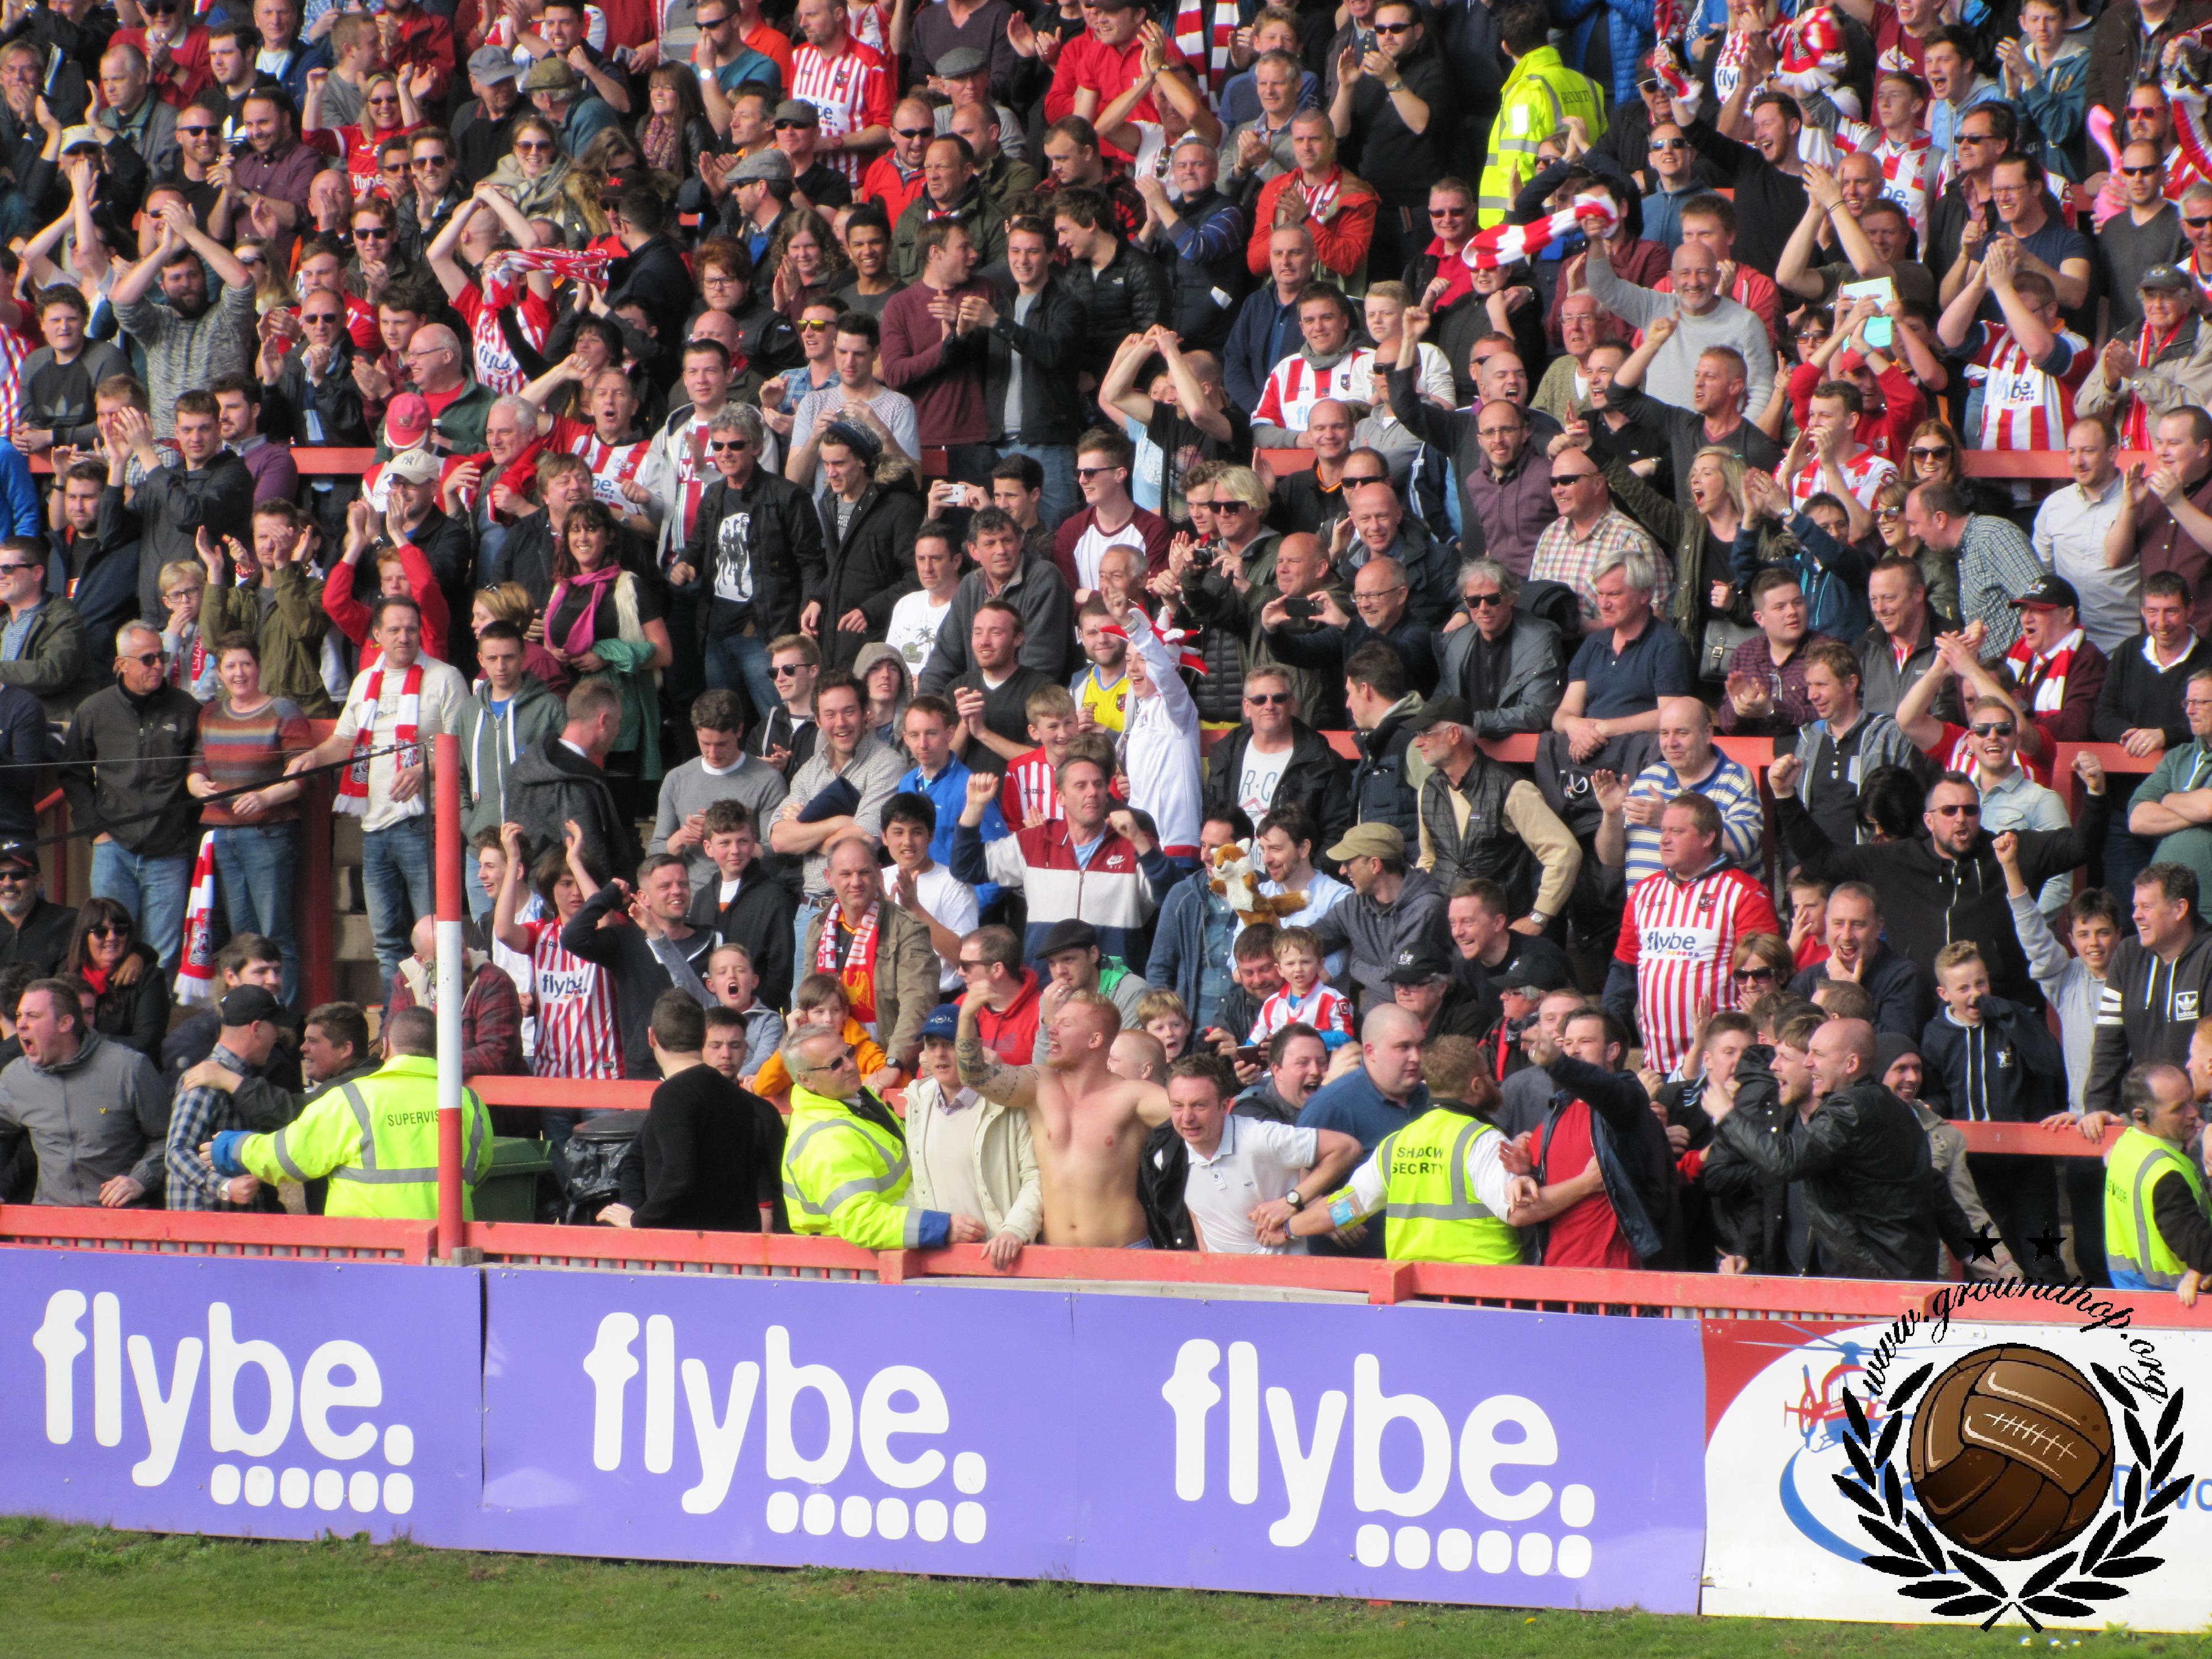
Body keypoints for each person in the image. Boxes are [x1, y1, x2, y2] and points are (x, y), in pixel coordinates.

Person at [1772, 748, 2109, 1011]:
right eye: (1949, 811)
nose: (1961, 819)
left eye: (1970, 810)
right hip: (1921, 1010)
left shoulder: (2009, 850)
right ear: (1929, 821)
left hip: (2004, 1009)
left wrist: (2095, 794)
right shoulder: (1896, 859)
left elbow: (2082, 846)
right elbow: (1823, 860)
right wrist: (1786, 797)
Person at [283, 596, 467, 990]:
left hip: (424, 824)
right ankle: (394, 1021)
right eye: (395, 630)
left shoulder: (445, 678)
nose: (404, 637)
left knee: (435, 936)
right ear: (377, 635)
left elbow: (463, 748)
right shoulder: (365, 681)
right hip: (374, 826)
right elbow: (342, 742)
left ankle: (440, 1018)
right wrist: (311, 758)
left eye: (412, 629)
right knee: (386, 943)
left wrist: (424, 769)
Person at [1703, 1016, 1944, 1279]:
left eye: (1817, 1054)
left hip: (1872, 1276)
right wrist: (1745, 1252)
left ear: (1851, 1064)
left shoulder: (1851, 1109)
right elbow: (1768, 1197)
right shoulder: (1791, 1120)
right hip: (1833, 1277)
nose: (1809, 1063)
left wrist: (1727, 1115)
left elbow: (1786, 1162)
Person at [202, 1006, 492, 1219]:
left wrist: (232, 1147)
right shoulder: (468, 1101)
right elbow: (480, 1168)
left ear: (385, 1047)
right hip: (446, 1253)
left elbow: (287, 1156)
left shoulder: (353, 1099)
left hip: (368, 1255)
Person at [953, 982, 1173, 1248]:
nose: (1052, 1029)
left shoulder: (1133, 1095)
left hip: (1126, 1252)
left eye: (1065, 1024)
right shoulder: (1039, 1084)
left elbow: (1193, 1114)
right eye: (1053, 1022)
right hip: (1056, 1257)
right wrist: (967, 1017)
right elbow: (976, 1078)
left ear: (1095, 1040)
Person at [1603, 791, 1782, 1077]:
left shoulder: (1745, 893)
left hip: (1722, 1069)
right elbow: (1624, 971)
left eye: (1676, 831)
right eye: (1663, 830)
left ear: (1708, 837)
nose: (1664, 840)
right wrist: (1607, 1031)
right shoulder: (1644, 892)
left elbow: (1764, 980)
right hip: (1657, 1066)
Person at [60, 620, 202, 970]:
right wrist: (96, 831)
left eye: (162, 657)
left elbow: (200, 770)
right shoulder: (94, 709)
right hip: (114, 847)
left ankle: (155, 1007)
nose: (158, 666)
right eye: (148, 659)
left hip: (169, 848)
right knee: (106, 946)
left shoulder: (186, 708)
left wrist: (185, 830)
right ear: (121, 664)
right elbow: (73, 773)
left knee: (162, 954)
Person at [1512, 1009, 1682, 1268]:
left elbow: (1606, 1089)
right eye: (1568, 1043)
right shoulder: (1556, 1112)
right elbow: (1528, 1206)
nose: (1573, 1051)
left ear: (1613, 1051)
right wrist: (1525, 1174)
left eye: (1585, 1041)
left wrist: (1558, 1062)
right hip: (1554, 1275)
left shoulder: (1627, 1103)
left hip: (1617, 1277)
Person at [597, 993, 778, 1233]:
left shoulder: (672, 1095)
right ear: (703, 1037)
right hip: (738, 1236)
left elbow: (679, 1175)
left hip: (686, 1240)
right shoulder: (740, 1097)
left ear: (652, 1037)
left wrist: (639, 1220)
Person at [1410, 696, 1578, 932]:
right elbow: (1428, 859)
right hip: (1444, 929)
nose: (1418, 743)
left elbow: (1564, 852)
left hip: (1499, 932)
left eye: (1426, 733)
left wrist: (1539, 917)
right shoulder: (1427, 790)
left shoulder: (1513, 788)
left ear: (1454, 735)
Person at [770, 668, 907, 952]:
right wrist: (839, 823)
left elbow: (864, 841)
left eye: (849, 712)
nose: (841, 723)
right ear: (818, 721)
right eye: (830, 715)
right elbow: (779, 840)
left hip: (864, 912)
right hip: (811, 914)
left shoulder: (888, 765)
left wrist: (805, 836)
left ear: (865, 713)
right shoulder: (809, 772)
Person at [1168, 1051, 1360, 1255]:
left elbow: (1346, 1148)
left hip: (1285, 1273)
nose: (1187, 1117)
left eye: (1199, 1105)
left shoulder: (1259, 1137)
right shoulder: (1175, 1150)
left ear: (1224, 1106)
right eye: (1178, 1106)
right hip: (1222, 1275)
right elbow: (1202, 1227)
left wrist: (1292, 1202)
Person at [0, 979, 168, 1208]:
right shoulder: (15, 1077)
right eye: (19, 1016)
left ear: (65, 1023)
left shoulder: (129, 1068)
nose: (21, 1024)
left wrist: (141, 1179)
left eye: (33, 1016)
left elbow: (168, 1138)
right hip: (51, 1216)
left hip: (121, 1215)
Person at [800, 832, 940, 1079]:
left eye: (864, 873)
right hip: (827, 1064)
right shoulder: (818, 927)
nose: (856, 882)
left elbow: (918, 1004)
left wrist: (893, 1065)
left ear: (878, 873)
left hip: (885, 1063)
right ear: (829, 878)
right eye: (846, 874)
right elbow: (809, 997)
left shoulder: (907, 928)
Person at [1592, 696, 1762, 889]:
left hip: (1713, 906)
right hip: (1645, 907)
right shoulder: (1650, 777)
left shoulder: (1735, 778)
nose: (1671, 743)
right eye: (1664, 733)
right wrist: (1612, 815)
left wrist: (1668, 819)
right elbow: (1611, 859)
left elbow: (1742, 845)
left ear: (1707, 733)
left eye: (1682, 733)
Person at [507, 680, 646, 895]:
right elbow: (588, 855)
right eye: (618, 722)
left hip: (530, 898)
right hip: (574, 902)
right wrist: (607, 900)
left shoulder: (523, 767)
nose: (618, 731)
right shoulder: (576, 779)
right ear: (603, 720)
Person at [648, 691, 790, 895]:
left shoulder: (767, 780)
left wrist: (725, 835)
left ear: (739, 730)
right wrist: (682, 838)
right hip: (694, 899)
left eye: (722, 744)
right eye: (705, 744)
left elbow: (776, 856)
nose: (713, 753)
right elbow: (655, 853)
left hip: (748, 895)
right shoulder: (677, 779)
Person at [162, 985, 286, 1213]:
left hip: (231, 1223)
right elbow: (176, 1152)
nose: (278, 1035)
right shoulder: (204, 1079)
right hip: (205, 1226)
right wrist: (224, 1187)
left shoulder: (234, 1076)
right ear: (256, 1028)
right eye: (275, 1027)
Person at [2100, 1061, 2212, 1296]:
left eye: (2191, 1100)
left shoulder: (2126, 1144)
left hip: (2132, 1286)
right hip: (2177, 1297)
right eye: (2178, 1109)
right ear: (2141, 1116)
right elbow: (2203, 1253)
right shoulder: (2165, 1176)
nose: (2194, 1113)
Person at [383, 915, 526, 1079]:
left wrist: (430, 1069)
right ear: (421, 961)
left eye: (462, 950)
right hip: (422, 1086)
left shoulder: (493, 981)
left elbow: (495, 1055)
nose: (457, 961)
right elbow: (393, 1047)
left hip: (487, 1092)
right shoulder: (406, 981)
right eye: (446, 956)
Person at [1788, 882, 1933, 1040]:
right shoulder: (1807, 979)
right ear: (1827, 923)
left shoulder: (1905, 978)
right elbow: (1788, 1040)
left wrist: (1849, 996)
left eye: (1857, 925)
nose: (1846, 936)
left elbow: (1894, 1044)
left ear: (1878, 927)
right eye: (1838, 923)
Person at [1437, 560, 1565, 737]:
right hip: (1465, 744)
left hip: (1520, 746)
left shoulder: (1541, 639)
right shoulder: (1455, 643)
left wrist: (1473, 721)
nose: (1483, 608)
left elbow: (1538, 712)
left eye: (1493, 599)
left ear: (1511, 597)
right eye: (1474, 601)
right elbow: (1442, 700)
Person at [0, 845, 74, 975]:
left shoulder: (69, 922)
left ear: (38, 880)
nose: (7, 883)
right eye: (1, 875)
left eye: (18, 874)